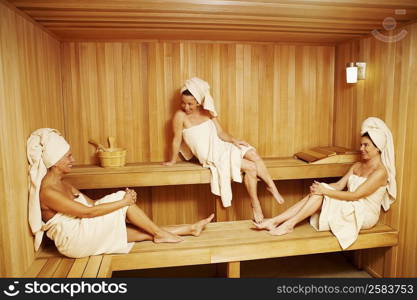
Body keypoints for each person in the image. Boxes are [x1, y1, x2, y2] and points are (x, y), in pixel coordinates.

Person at [27, 128, 214, 258]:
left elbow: (92, 204)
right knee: (118, 199)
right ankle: (160, 233)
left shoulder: (62, 183)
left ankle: (188, 229)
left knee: (142, 231)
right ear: (55, 160)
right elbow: (87, 212)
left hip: (82, 230)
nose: (73, 160)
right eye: (68, 157)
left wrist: (122, 203)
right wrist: (123, 202)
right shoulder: (48, 191)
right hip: (74, 240)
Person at [253, 117, 396, 249]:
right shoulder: (357, 166)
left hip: (364, 213)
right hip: (351, 205)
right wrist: (320, 186)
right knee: (317, 192)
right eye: (361, 145)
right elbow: (340, 185)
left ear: (378, 148)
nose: (361, 149)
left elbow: (356, 195)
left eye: (366, 145)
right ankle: (276, 221)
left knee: (321, 194)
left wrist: (325, 191)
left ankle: (287, 224)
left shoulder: (380, 172)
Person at [163, 77, 284, 223]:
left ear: (199, 101)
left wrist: (234, 140)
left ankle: (272, 187)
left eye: (190, 104)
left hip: (221, 146)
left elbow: (221, 133)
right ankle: (255, 204)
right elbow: (176, 139)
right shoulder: (180, 116)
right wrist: (172, 161)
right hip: (211, 155)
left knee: (251, 152)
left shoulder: (208, 112)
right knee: (251, 167)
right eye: (183, 103)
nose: (186, 107)